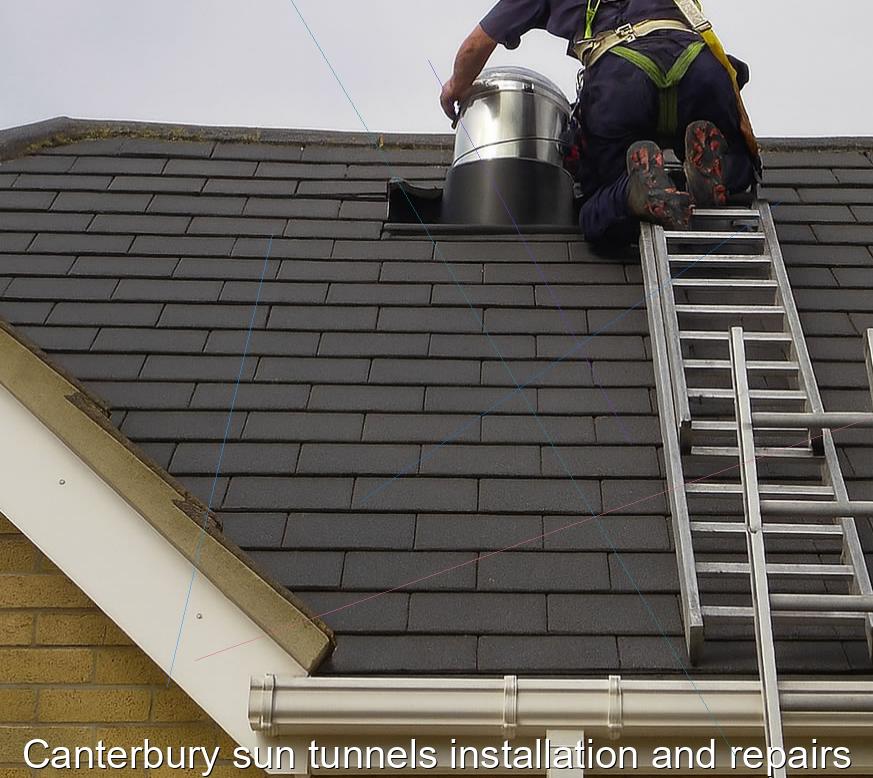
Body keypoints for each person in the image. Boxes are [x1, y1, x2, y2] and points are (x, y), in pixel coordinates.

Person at [440, 0, 760, 245]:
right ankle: (712, 173)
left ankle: (634, 188)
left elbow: (477, 44)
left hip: (622, 79)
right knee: (735, 155)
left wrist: (456, 85)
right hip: (698, 67)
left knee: (595, 205)